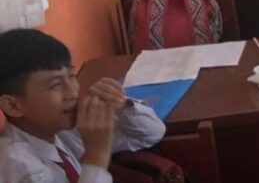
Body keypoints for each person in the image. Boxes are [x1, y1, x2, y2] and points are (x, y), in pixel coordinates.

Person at [0, 29, 166, 183]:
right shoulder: (19, 167)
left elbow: (151, 134)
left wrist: (123, 106)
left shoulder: (57, 128)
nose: (72, 92)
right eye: (55, 85)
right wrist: (97, 154)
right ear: (13, 105)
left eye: (72, 76)